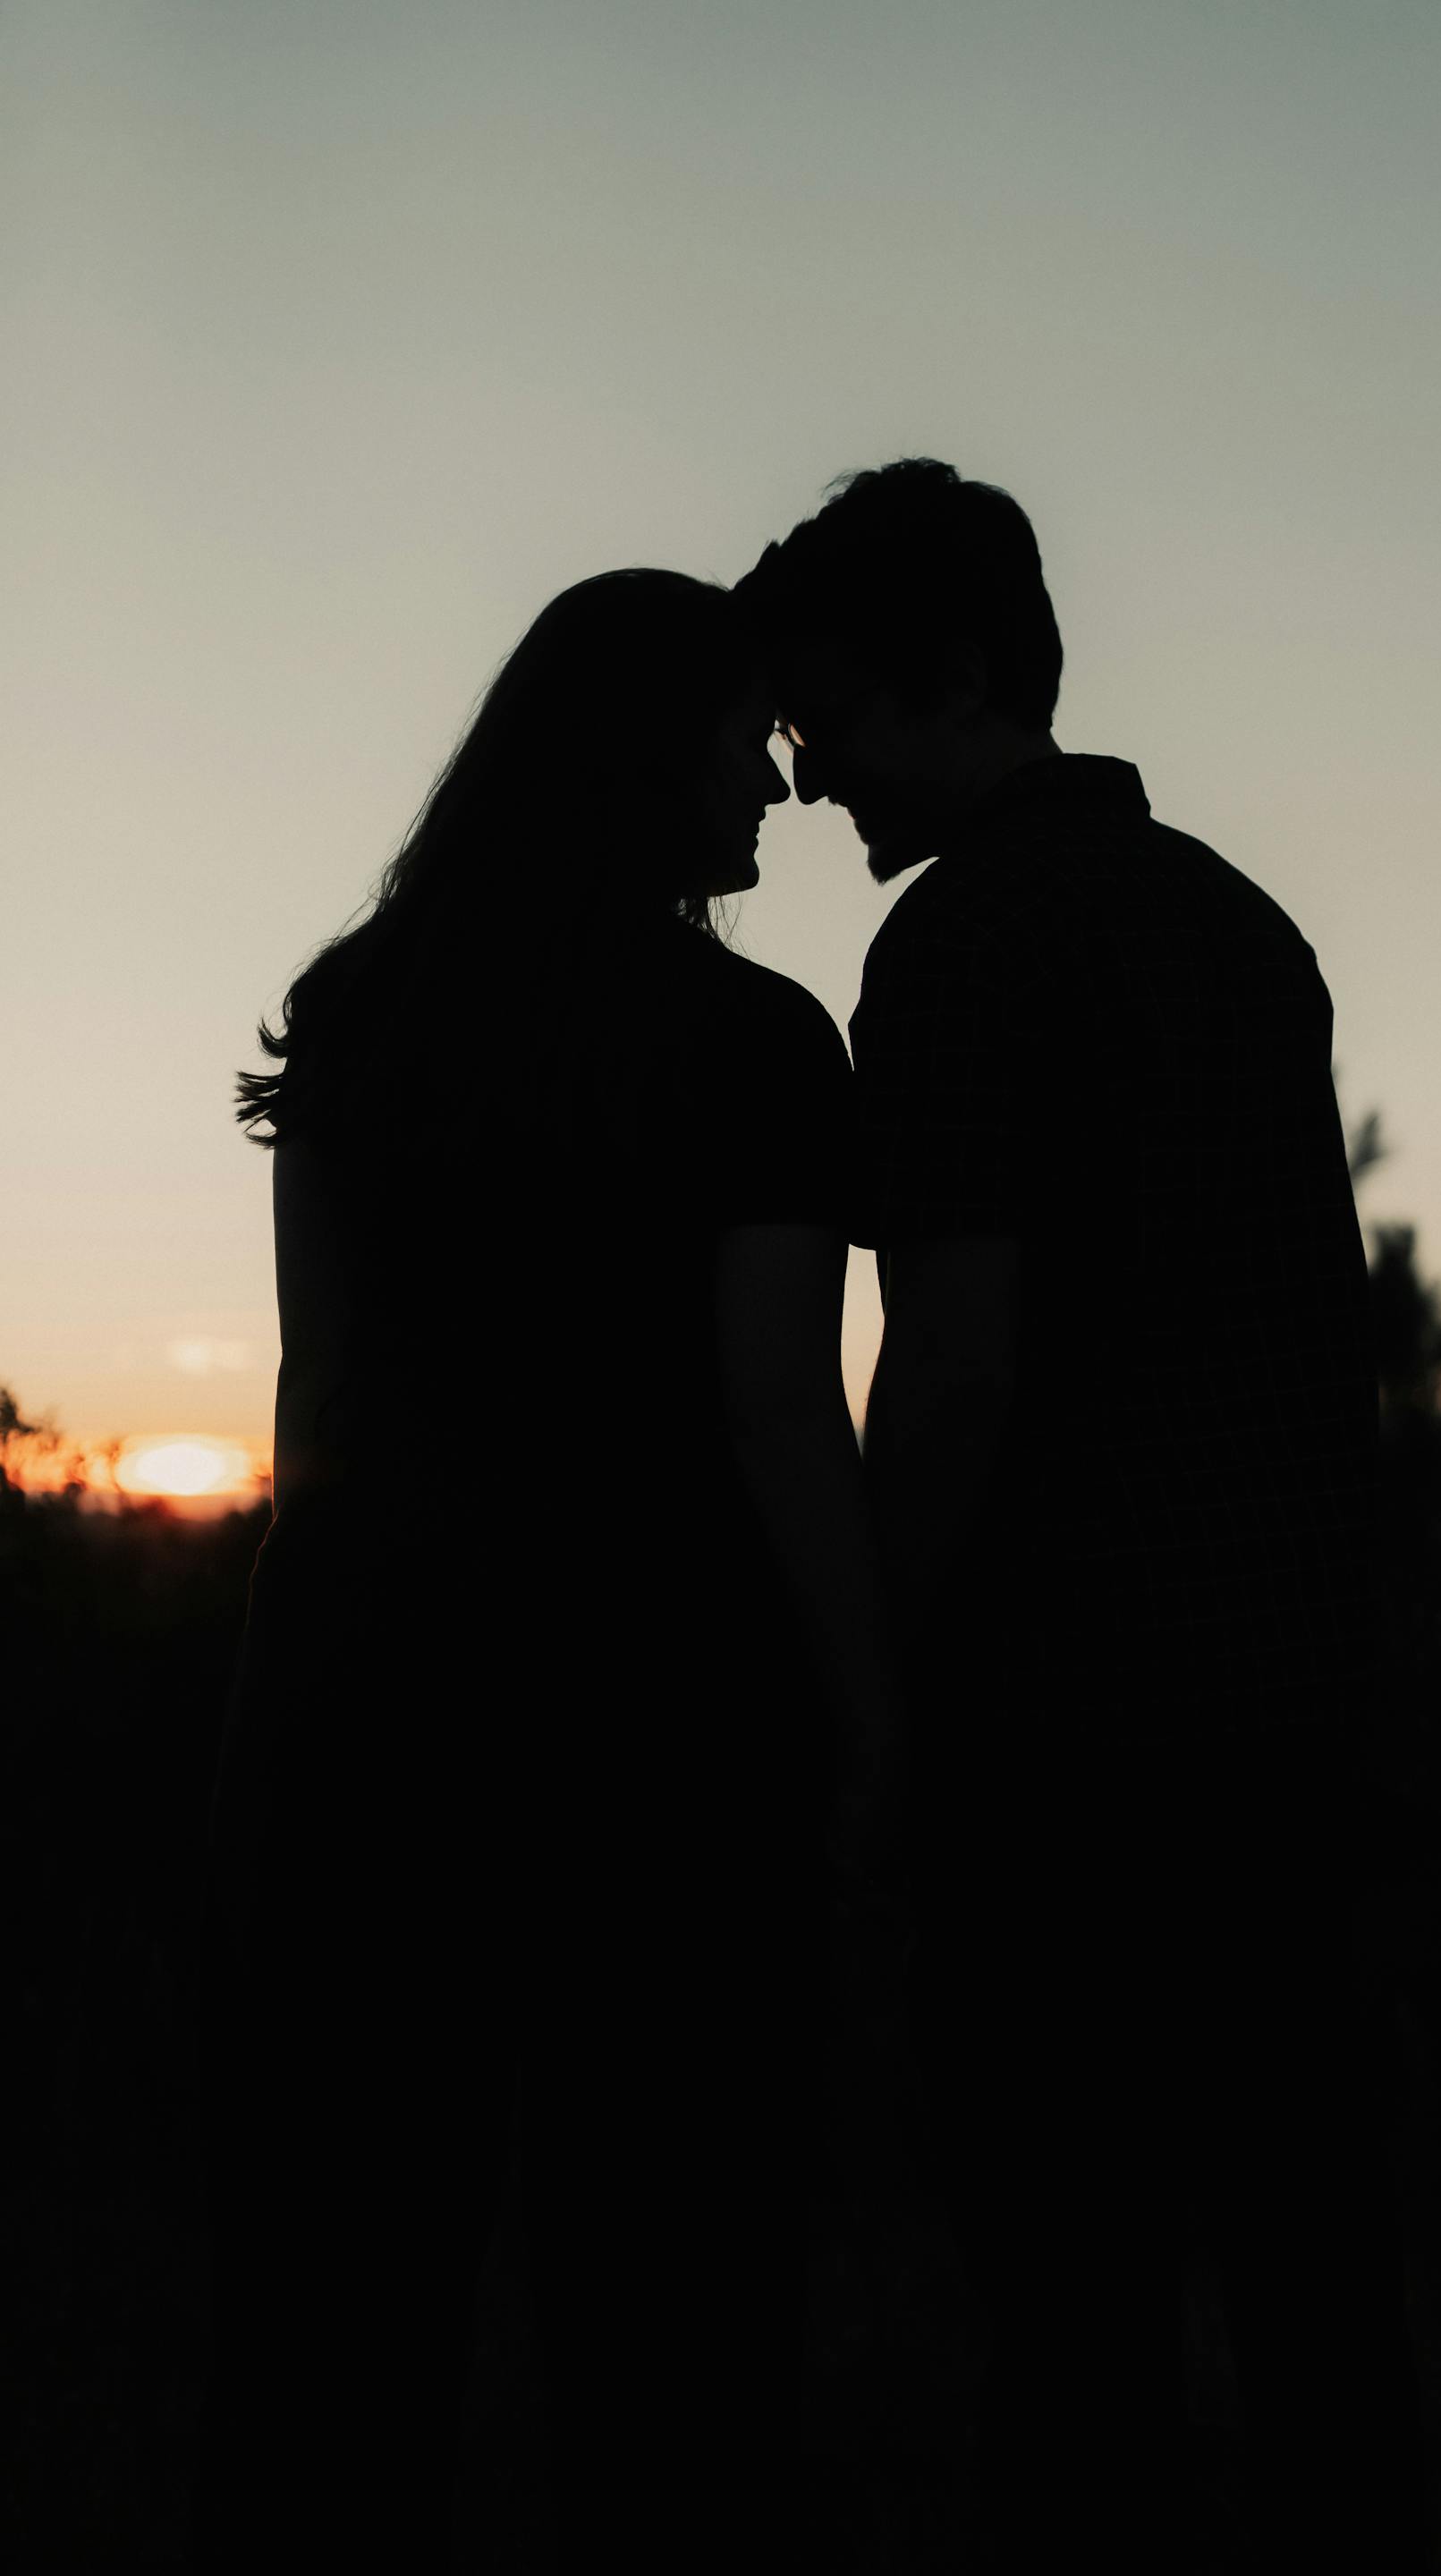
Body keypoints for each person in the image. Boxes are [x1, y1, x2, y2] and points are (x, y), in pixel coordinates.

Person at [734, 460, 1433, 2575]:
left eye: (827, 717)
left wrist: (870, 1693)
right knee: (1327, 2301)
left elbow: (954, 1362)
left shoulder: (957, 949)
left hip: (1069, 1746)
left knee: (1077, 2329)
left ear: (952, 682)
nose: (805, 773)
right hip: (1303, 1713)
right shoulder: (1239, 922)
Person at [191, 568, 904, 2574]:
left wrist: (280, 1713)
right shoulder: (761, 1044)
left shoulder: (359, 1008)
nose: (772, 785)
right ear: (647, 758)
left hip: (362, 1723)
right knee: (674, 2354)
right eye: (742, 739)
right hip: (663, 1746)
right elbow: (778, 1409)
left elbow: (311, 1398)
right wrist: (874, 1722)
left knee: (329, 2351)